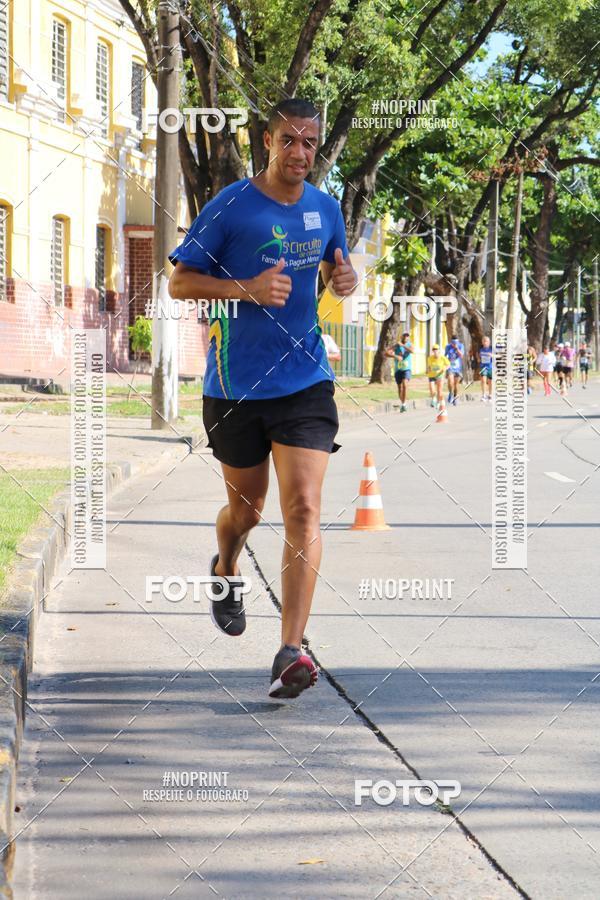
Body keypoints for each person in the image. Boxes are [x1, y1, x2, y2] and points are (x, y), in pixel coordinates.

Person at [168, 98, 357, 700]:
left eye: (310, 143)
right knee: (246, 512)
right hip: (235, 385)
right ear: (268, 141)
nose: (300, 153)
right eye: (289, 141)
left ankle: (291, 649)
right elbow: (178, 281)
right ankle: (226, 566)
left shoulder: (327, 208)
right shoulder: (230, 204)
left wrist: (344, 277)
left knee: (303, 506)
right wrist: (244, 289)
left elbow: (334, 270)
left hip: (305, 379)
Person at [385, 331, 412, 412]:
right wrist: (395, 356)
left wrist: (403, 345)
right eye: (405, 336)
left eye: (407, 336)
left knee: (405, 385)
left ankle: (404, 405)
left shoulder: (409, 345)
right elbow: (386, 353)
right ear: (401, 337)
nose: (406, 337)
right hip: (398, 370)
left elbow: (412, 351)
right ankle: (402, 403)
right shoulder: (396, 346)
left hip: (407, 369)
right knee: (400, 388)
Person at [444, 334, 464, 405]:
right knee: (450, 382)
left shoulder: (461, 346)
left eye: (455, 343)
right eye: (453, 343)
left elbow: (461, 355)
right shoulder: (448, 347)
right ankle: (450, 393)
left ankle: (455, 397)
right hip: (450, 367)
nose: (454, 344)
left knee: (456, 384)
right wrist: (446, 363)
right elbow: (445, 356)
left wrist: (456, 348)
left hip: (458, 368)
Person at [478, 336, 493, 401]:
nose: (485, 342)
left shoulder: (492, 348)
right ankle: (484, 395)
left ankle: (490, 395)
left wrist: (492, 355)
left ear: (489, 342)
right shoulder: (480, 349)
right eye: (483, 341)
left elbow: (500, 355)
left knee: (490, 382)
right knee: (483, 381)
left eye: (486, 341)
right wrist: (478, 359)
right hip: (483, 367)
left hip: (490, 367)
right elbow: (478, 356)